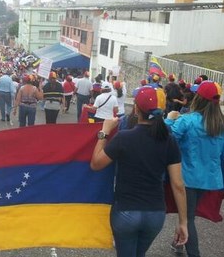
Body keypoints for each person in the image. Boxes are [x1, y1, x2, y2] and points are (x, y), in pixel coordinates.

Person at [90, 86, 188, 257]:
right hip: (155, 214)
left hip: (126, 212)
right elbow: (178, 184)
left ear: (136, 109)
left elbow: (96, 164)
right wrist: (183, 222)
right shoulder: (169, 140)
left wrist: (104, 132)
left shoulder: (124, 137)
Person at [165, 80, 224, 257]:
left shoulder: (187, 120)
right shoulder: (220, 125)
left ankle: (194, 253)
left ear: (198, 99)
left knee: (187, 217)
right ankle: (178, 243)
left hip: (187, 178)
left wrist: (169, 120)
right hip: (209, 179)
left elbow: (169, 138)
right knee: (187, 214)